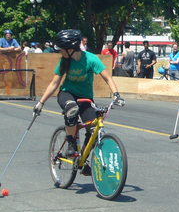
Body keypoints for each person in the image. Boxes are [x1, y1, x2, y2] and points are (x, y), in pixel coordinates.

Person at [32, 29, 125, 169]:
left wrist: (116, 95)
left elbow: (107, 78)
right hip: (67, 94)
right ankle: (70, 142)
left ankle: (81, 159)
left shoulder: (91, 59)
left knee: (94, 130)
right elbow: (54, 83)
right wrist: (41, 103)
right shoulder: (64, 61)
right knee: (72, 109)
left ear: (70, 49)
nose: (60, 52)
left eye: (61, 49)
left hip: (85, 98)